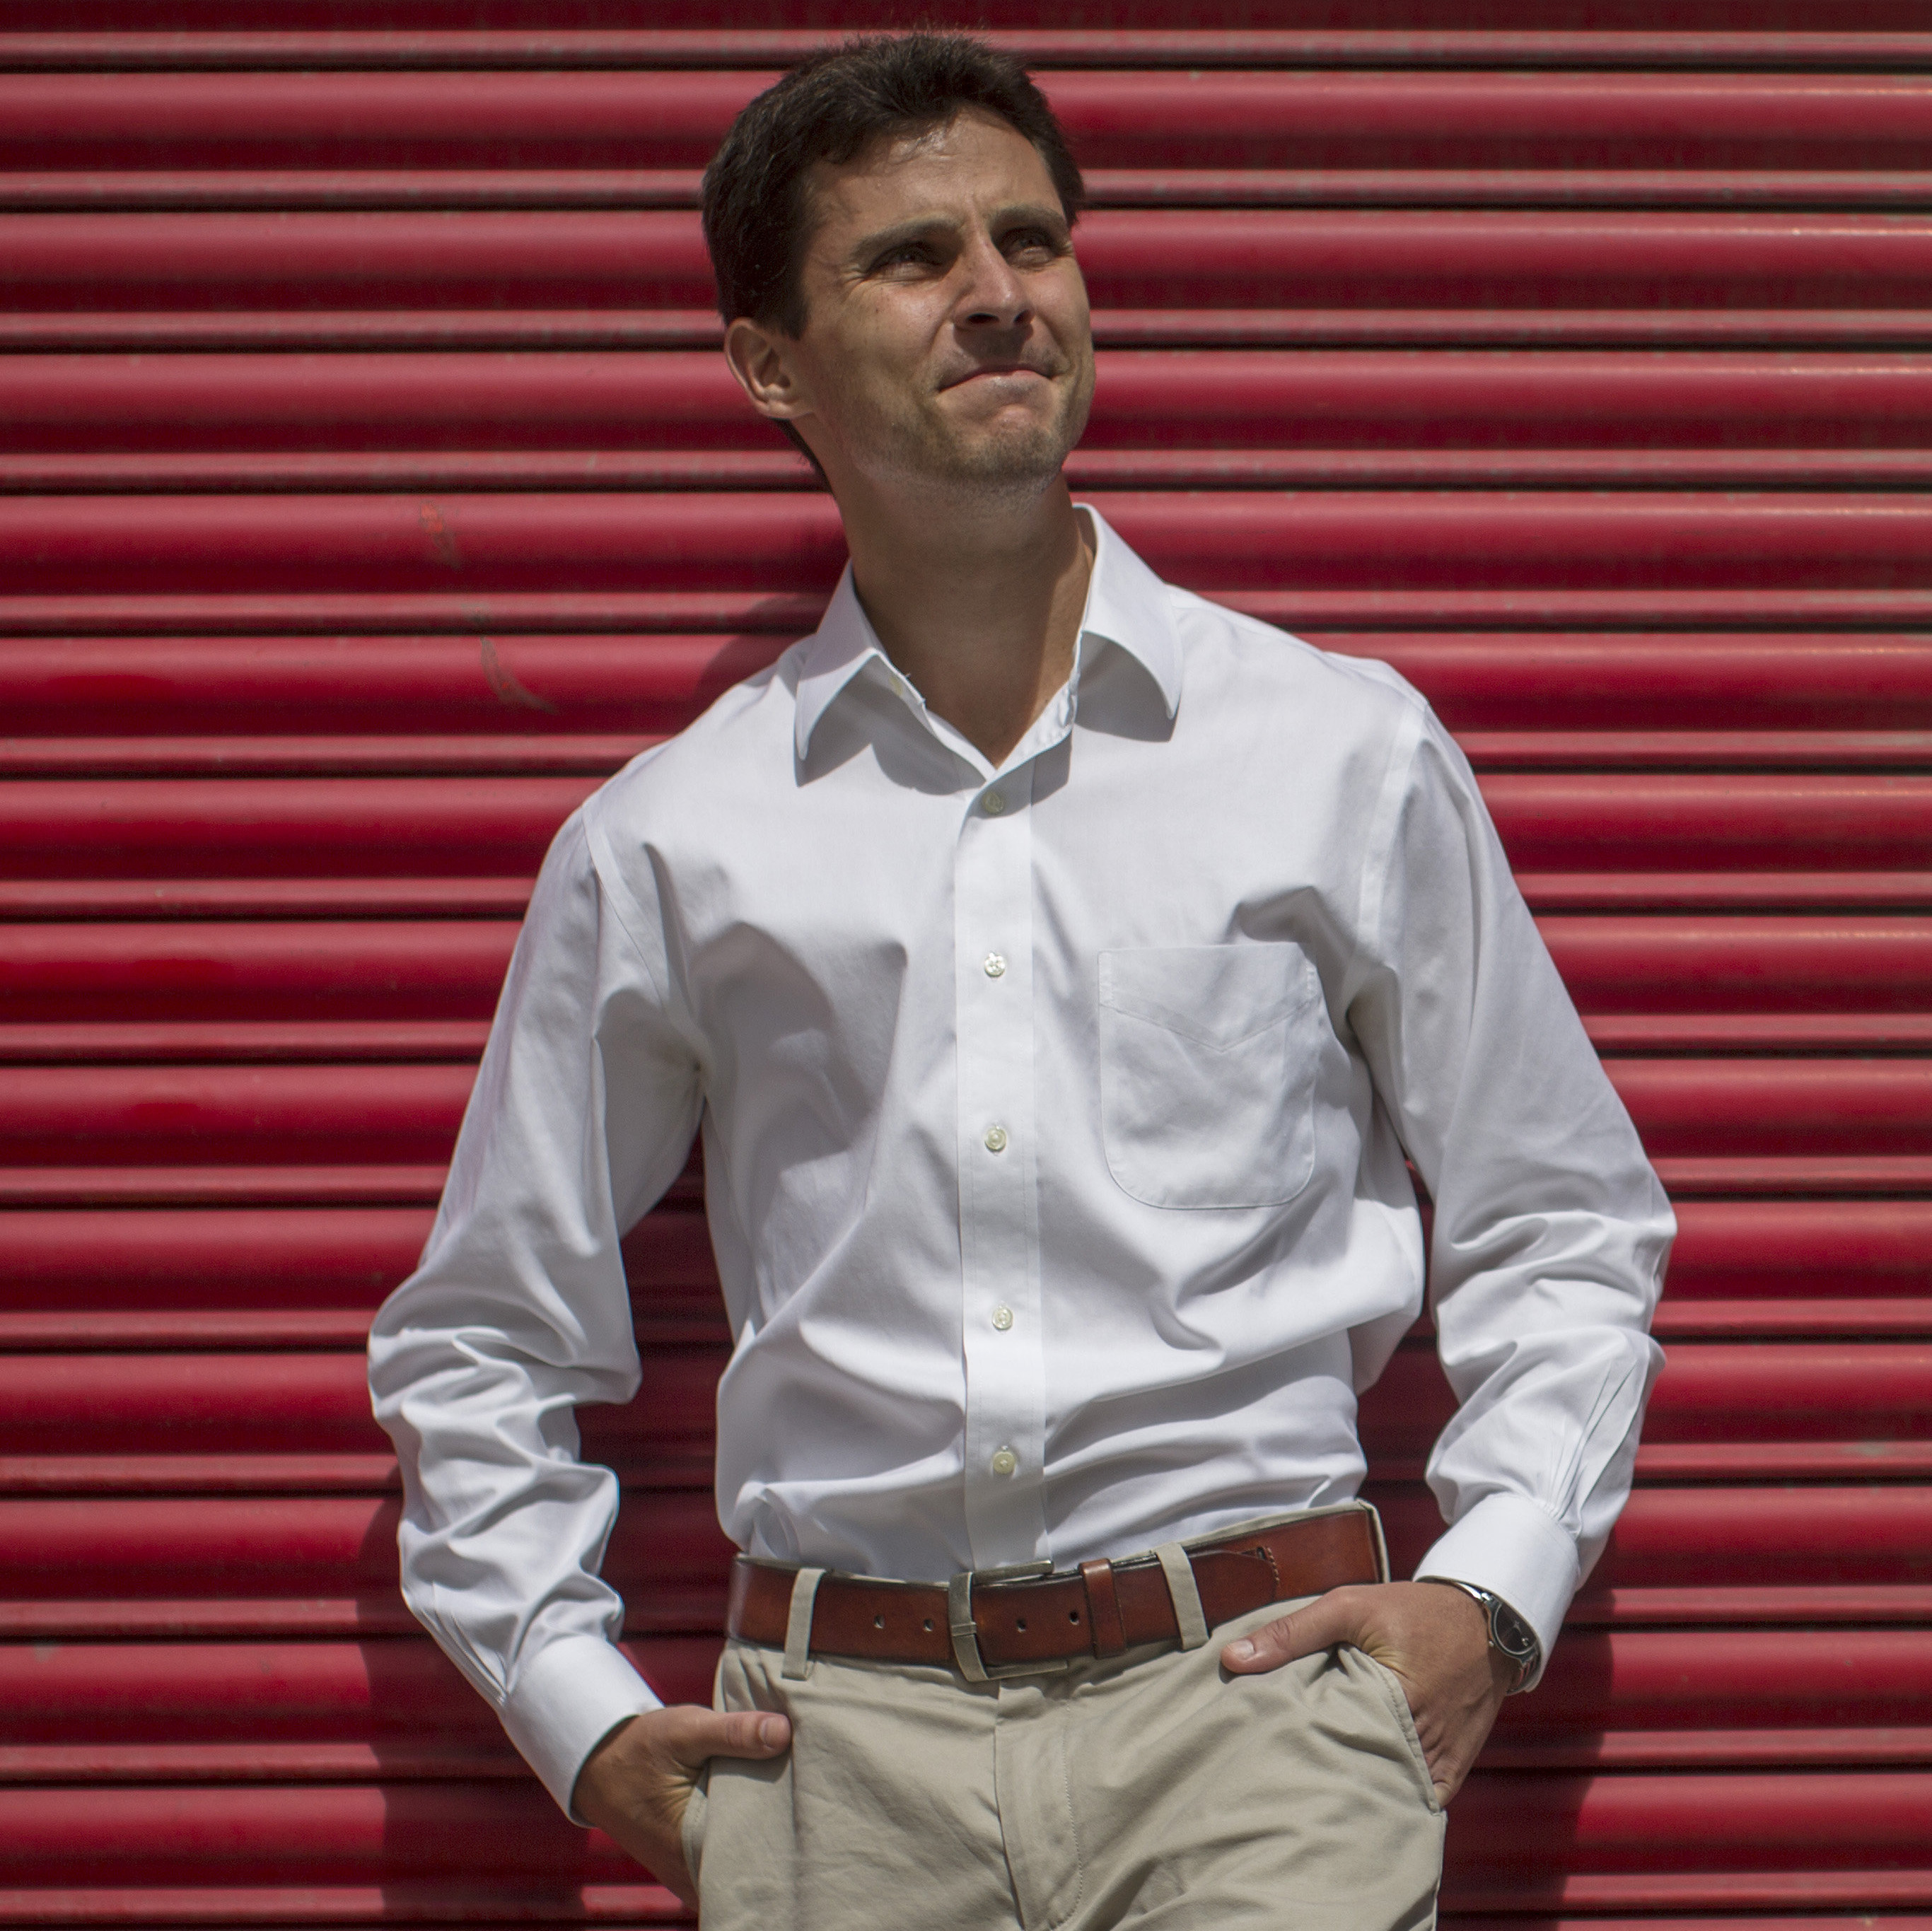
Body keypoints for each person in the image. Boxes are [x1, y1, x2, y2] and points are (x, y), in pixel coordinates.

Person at [368, 33, 1672, 1929]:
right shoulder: (673, 836)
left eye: (1031, 239)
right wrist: (577, 1710)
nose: (998, 293)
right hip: (839, 1766)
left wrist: (1489, 1591)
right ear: (769, 366)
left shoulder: (1335, 753)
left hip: (1262, 1728)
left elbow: (1561, 1219)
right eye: (911, 258)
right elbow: (483, 1332)